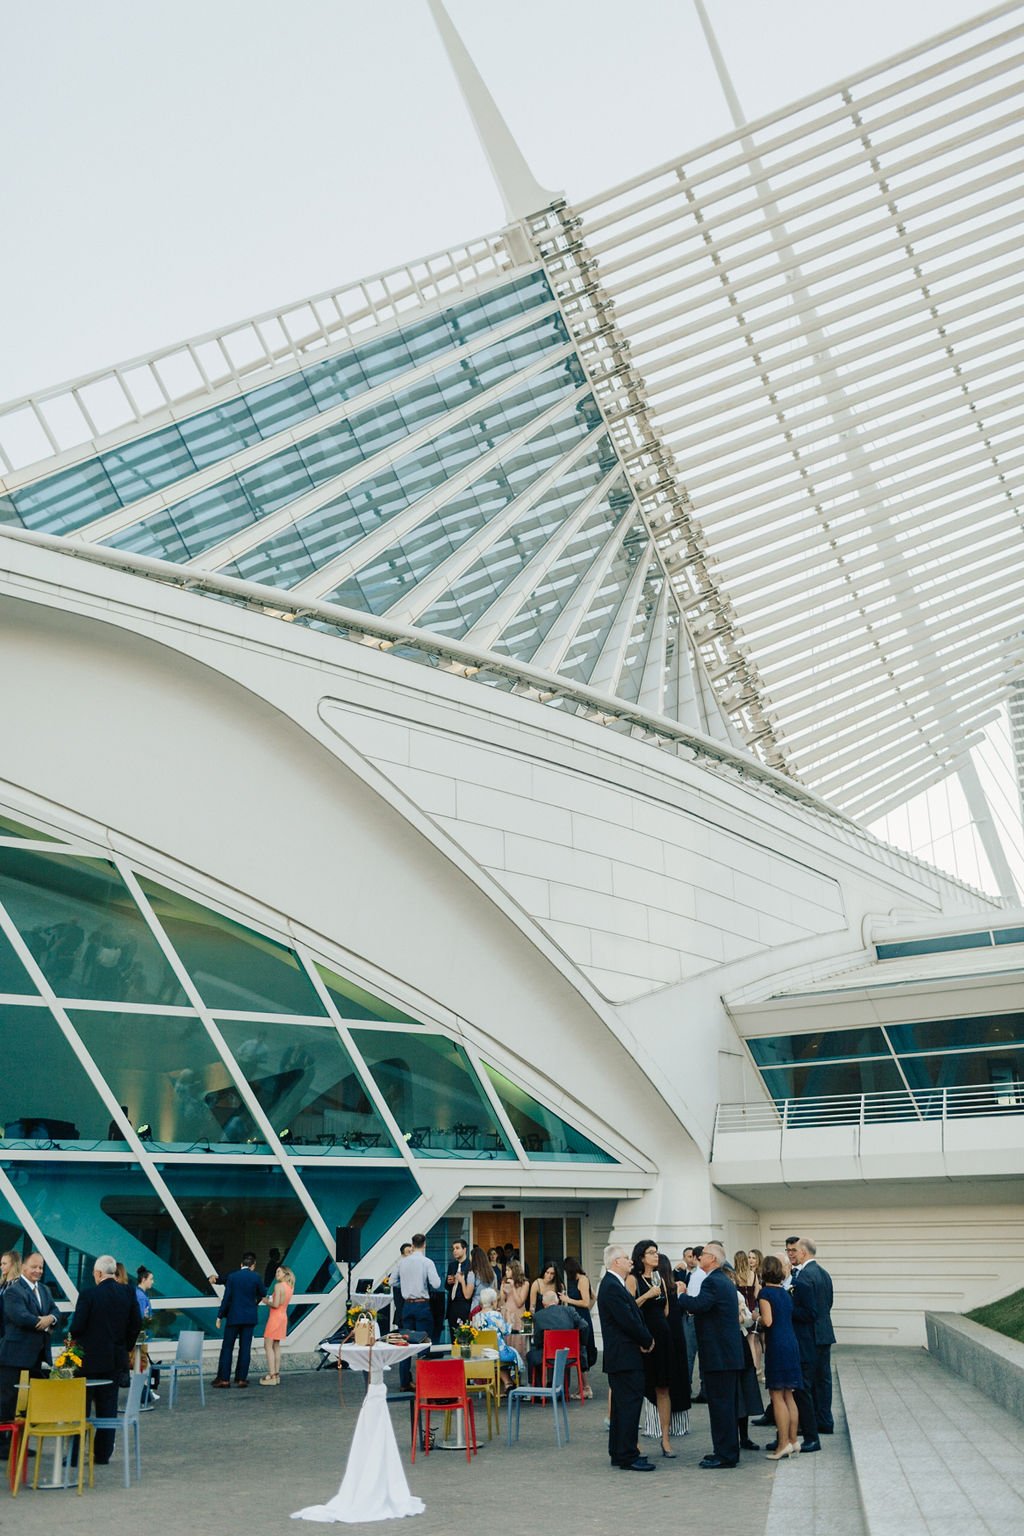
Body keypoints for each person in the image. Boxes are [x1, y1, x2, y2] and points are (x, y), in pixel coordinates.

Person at [68, 1253, 142, 1465]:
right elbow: (136, 1324)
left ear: (98, 1273)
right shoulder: (128, 1293)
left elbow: (77, 1327)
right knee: (108, 1407)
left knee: (80, 1408)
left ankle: (74, 1456)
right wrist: (123, 1347)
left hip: (88, 1361)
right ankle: (102, 1454)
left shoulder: (89, 1295)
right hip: (114, 1359)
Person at [678, 1241, 745, 1469]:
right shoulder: (721, 1280)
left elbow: (699, 1305)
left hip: (720, 1356)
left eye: (704, 1254)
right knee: (724, 1405)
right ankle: (725, 1450)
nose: (699, 1257)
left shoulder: (713, 1282)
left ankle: (725, 1454)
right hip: (725, 1355)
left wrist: (681, 1295)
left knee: (721, 1406)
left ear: (713, 1259)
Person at [597, 1243, 655, 1472]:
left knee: (623, 1406)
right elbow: (627, 1320)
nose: (631, 1261)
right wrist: (646, 1339)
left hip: (622, 1355)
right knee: (629, 1405)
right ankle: (628, 1454)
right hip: (624, 1355)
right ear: (615, 1262)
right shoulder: (612, 1286)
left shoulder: (614, 1285)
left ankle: (620, 1451)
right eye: (626, 1258)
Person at [0, 1251, 57, 1458]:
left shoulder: (44, 1290)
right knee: (7, 1400)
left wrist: (50, 1318)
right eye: (34, 1267)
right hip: (13, 1354)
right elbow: (19, 1316)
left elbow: (56, 1311)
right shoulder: (14, 1291)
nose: (38, 1271)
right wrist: (41, 1322)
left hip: (36, 1355)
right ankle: (3, 1446)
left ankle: (22, 1443)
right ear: (24, 1267)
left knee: (31, 1403)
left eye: (41, 1267)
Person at [626, 1240, 675, 1458]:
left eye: (657, 1253)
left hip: (662, 1336)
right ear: (641, 1256)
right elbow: (628, 1307)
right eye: (651, 1253)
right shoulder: (633, 1279)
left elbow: (665, 1309)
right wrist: (647, 1295)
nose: (656, 1256)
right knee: (639, 1388)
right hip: (643, 1336)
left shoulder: (660, 1279)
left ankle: (665, 1439)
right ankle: (633, 1441)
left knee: (663, 1387)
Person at [757, 1253, 803, 1458]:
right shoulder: (785, 1293)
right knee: (789, 1394)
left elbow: (767, 1321)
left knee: (777, 1395)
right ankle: (793, 1440)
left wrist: (756, 1316)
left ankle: (782, 1444)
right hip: (791, 1342)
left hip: (777, 1344)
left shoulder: (765, 1293)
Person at [793, 1237, 836, 1435]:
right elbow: (828, 1303)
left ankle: (811, 1422)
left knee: (808, 1381)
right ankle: (825, 1419)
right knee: (824, 1379)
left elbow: (807, 1311)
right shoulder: (824, 1274)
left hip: (809, 1335)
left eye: (796, 1251)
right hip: (825, 1332)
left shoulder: (804, 1276)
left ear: (803, 1252)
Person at [393, 1234, 441, 1388]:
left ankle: (405, 1382)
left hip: (407, 1305)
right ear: (424, 1245)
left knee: (406, 1344)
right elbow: (436, 1283)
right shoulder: (427, 1262)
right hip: (422, 1305)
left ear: (412, 1245)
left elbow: (393, 1281)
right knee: (424, 1344)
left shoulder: (402, 1263)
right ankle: (424, 1382)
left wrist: (406, 1285)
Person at [213, 1251, 265, 1387]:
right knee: (245, 1348)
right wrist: (254, 1303)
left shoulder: (233, 1277)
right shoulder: (256, 1277)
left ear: (241, 1264)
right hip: (249, 1318)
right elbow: (263, 1293)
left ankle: (224, 1379)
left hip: (234, 1316)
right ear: (253, 1265)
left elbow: (227, 1297)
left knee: (227, 1347)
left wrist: (220, 1315)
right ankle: (241, 1378)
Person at [526, 1288, 582, 1378]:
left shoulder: (538, 1316)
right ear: (557, 1301)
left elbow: (538, 1341)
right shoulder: (570, 1311)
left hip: (549, 1356)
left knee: (531, 1355)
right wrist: (580, 1343)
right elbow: (584, 1326)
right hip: (570, 1354)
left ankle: (539, 1387)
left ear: (544, 1303)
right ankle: (563, 1387)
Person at [475, 1286, 524, 1388]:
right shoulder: (495, 1315)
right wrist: (509, 1317)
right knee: (514, 1354)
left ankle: (508, 1384)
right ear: (493, 1302)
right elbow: (506, 1331)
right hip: (498, 1353)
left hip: (482, 1353)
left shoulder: (476, 1317)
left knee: (501, 1356)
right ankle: (515, 1384)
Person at [563, 1255, 596, 1397]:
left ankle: (586, 1387)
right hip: (579, 1316)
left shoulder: (582, 1279)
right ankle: (582, 1386)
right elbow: (594, 1297)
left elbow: (586, 1301)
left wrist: (568, 1299)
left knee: (582, 1350)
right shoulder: (579, 1279)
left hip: (581, 1318)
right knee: (578, 1350)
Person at [260, 1264, 294, 1385]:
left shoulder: (278, 1286)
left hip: (275, 1317)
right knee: (276, 1345)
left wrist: (266, 1301)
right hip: (283, 1317)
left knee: (267, 1345)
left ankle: (272, 1374)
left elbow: (275, 1304)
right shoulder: (290, 1287)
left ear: (285, 1273)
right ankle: (277, 1374)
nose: (276, 1274)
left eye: (279, 1272)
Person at [135, 1266, 160, 1402]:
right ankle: (145, 1391)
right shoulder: (141, 1297)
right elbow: (142, 1317)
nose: (152, 1282)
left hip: (142, 1335)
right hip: (141, 1336)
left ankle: (146, 1390)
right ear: (144, 1279)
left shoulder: (140, 1295)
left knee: (142, 1364)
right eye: (151, 1279)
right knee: (142, 1364)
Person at [446, 1239, 474, 1339]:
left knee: (464, 1336)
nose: (454, 1251)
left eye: (457, 1248)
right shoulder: (451, 1265)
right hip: (452, 1304)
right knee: (453, 1336)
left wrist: (461, 1281)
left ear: (464, 1249)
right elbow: (447, 1287)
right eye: (453, 1249)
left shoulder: (470, 1265)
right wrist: (449, 1282)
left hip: (464, 1304)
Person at [500, 1258, 529, 1331]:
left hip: (518, 1313)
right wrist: (502, 1286)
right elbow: (502, 1300)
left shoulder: (525, 1284)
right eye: (506, 1270)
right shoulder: (505, 1282)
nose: (506, 1272)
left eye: (508, 1270)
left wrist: (513, 1287)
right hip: (507, 1313)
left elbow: (519, 1303)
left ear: (514, 1271)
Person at [468, 1245, 494, 1316]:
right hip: (490, 1305)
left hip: (476, 1306)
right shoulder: (492, 1272)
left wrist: (462, 1281)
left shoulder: (473, 1273)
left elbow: (467, 1295)